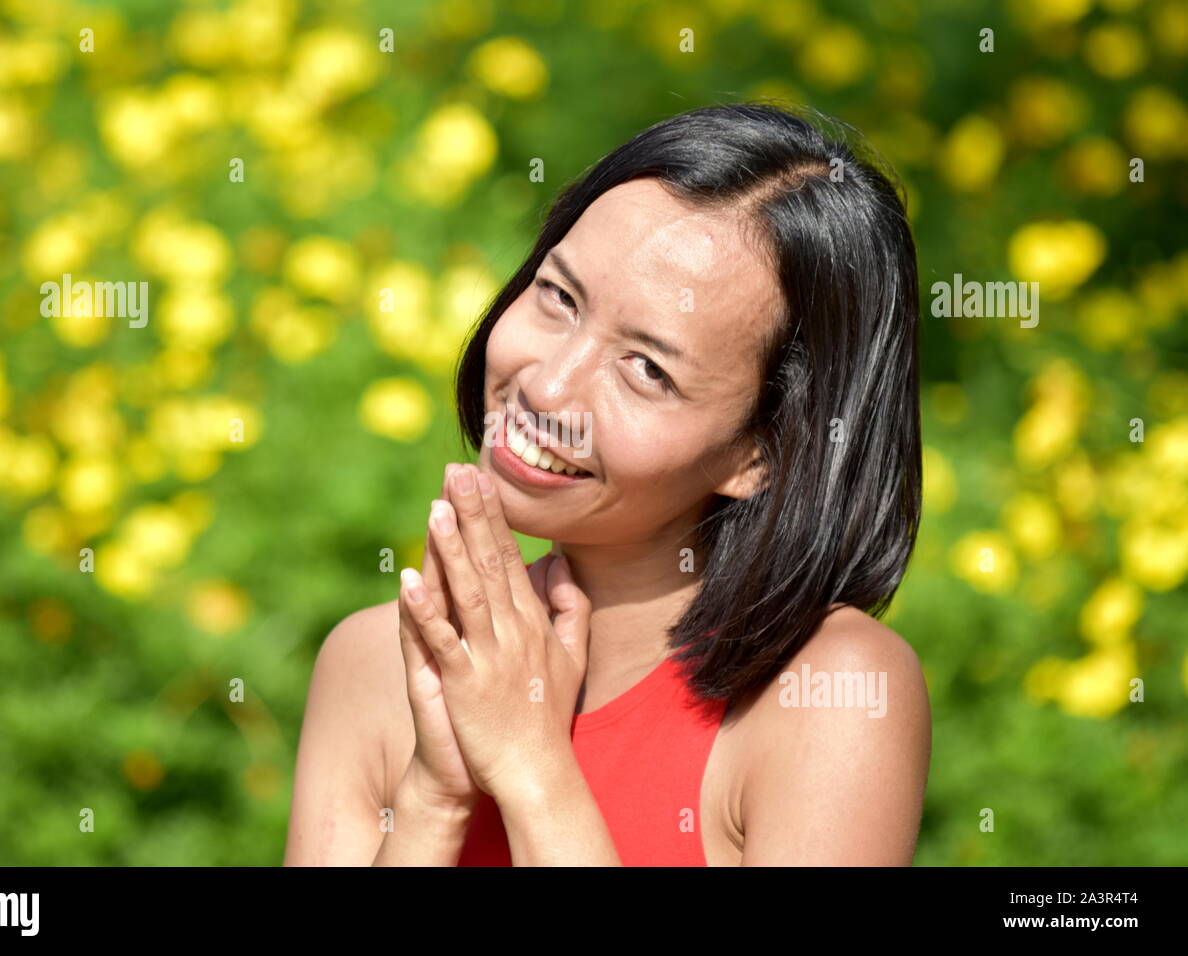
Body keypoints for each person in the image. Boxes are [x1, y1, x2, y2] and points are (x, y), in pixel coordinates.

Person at [284, 101, 931, 866]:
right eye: (559, 297)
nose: (549, 389)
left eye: (648, 368)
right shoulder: (374, 666)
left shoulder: (829, 690)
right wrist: (435, 794)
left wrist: (532, 771)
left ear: (762, 455)